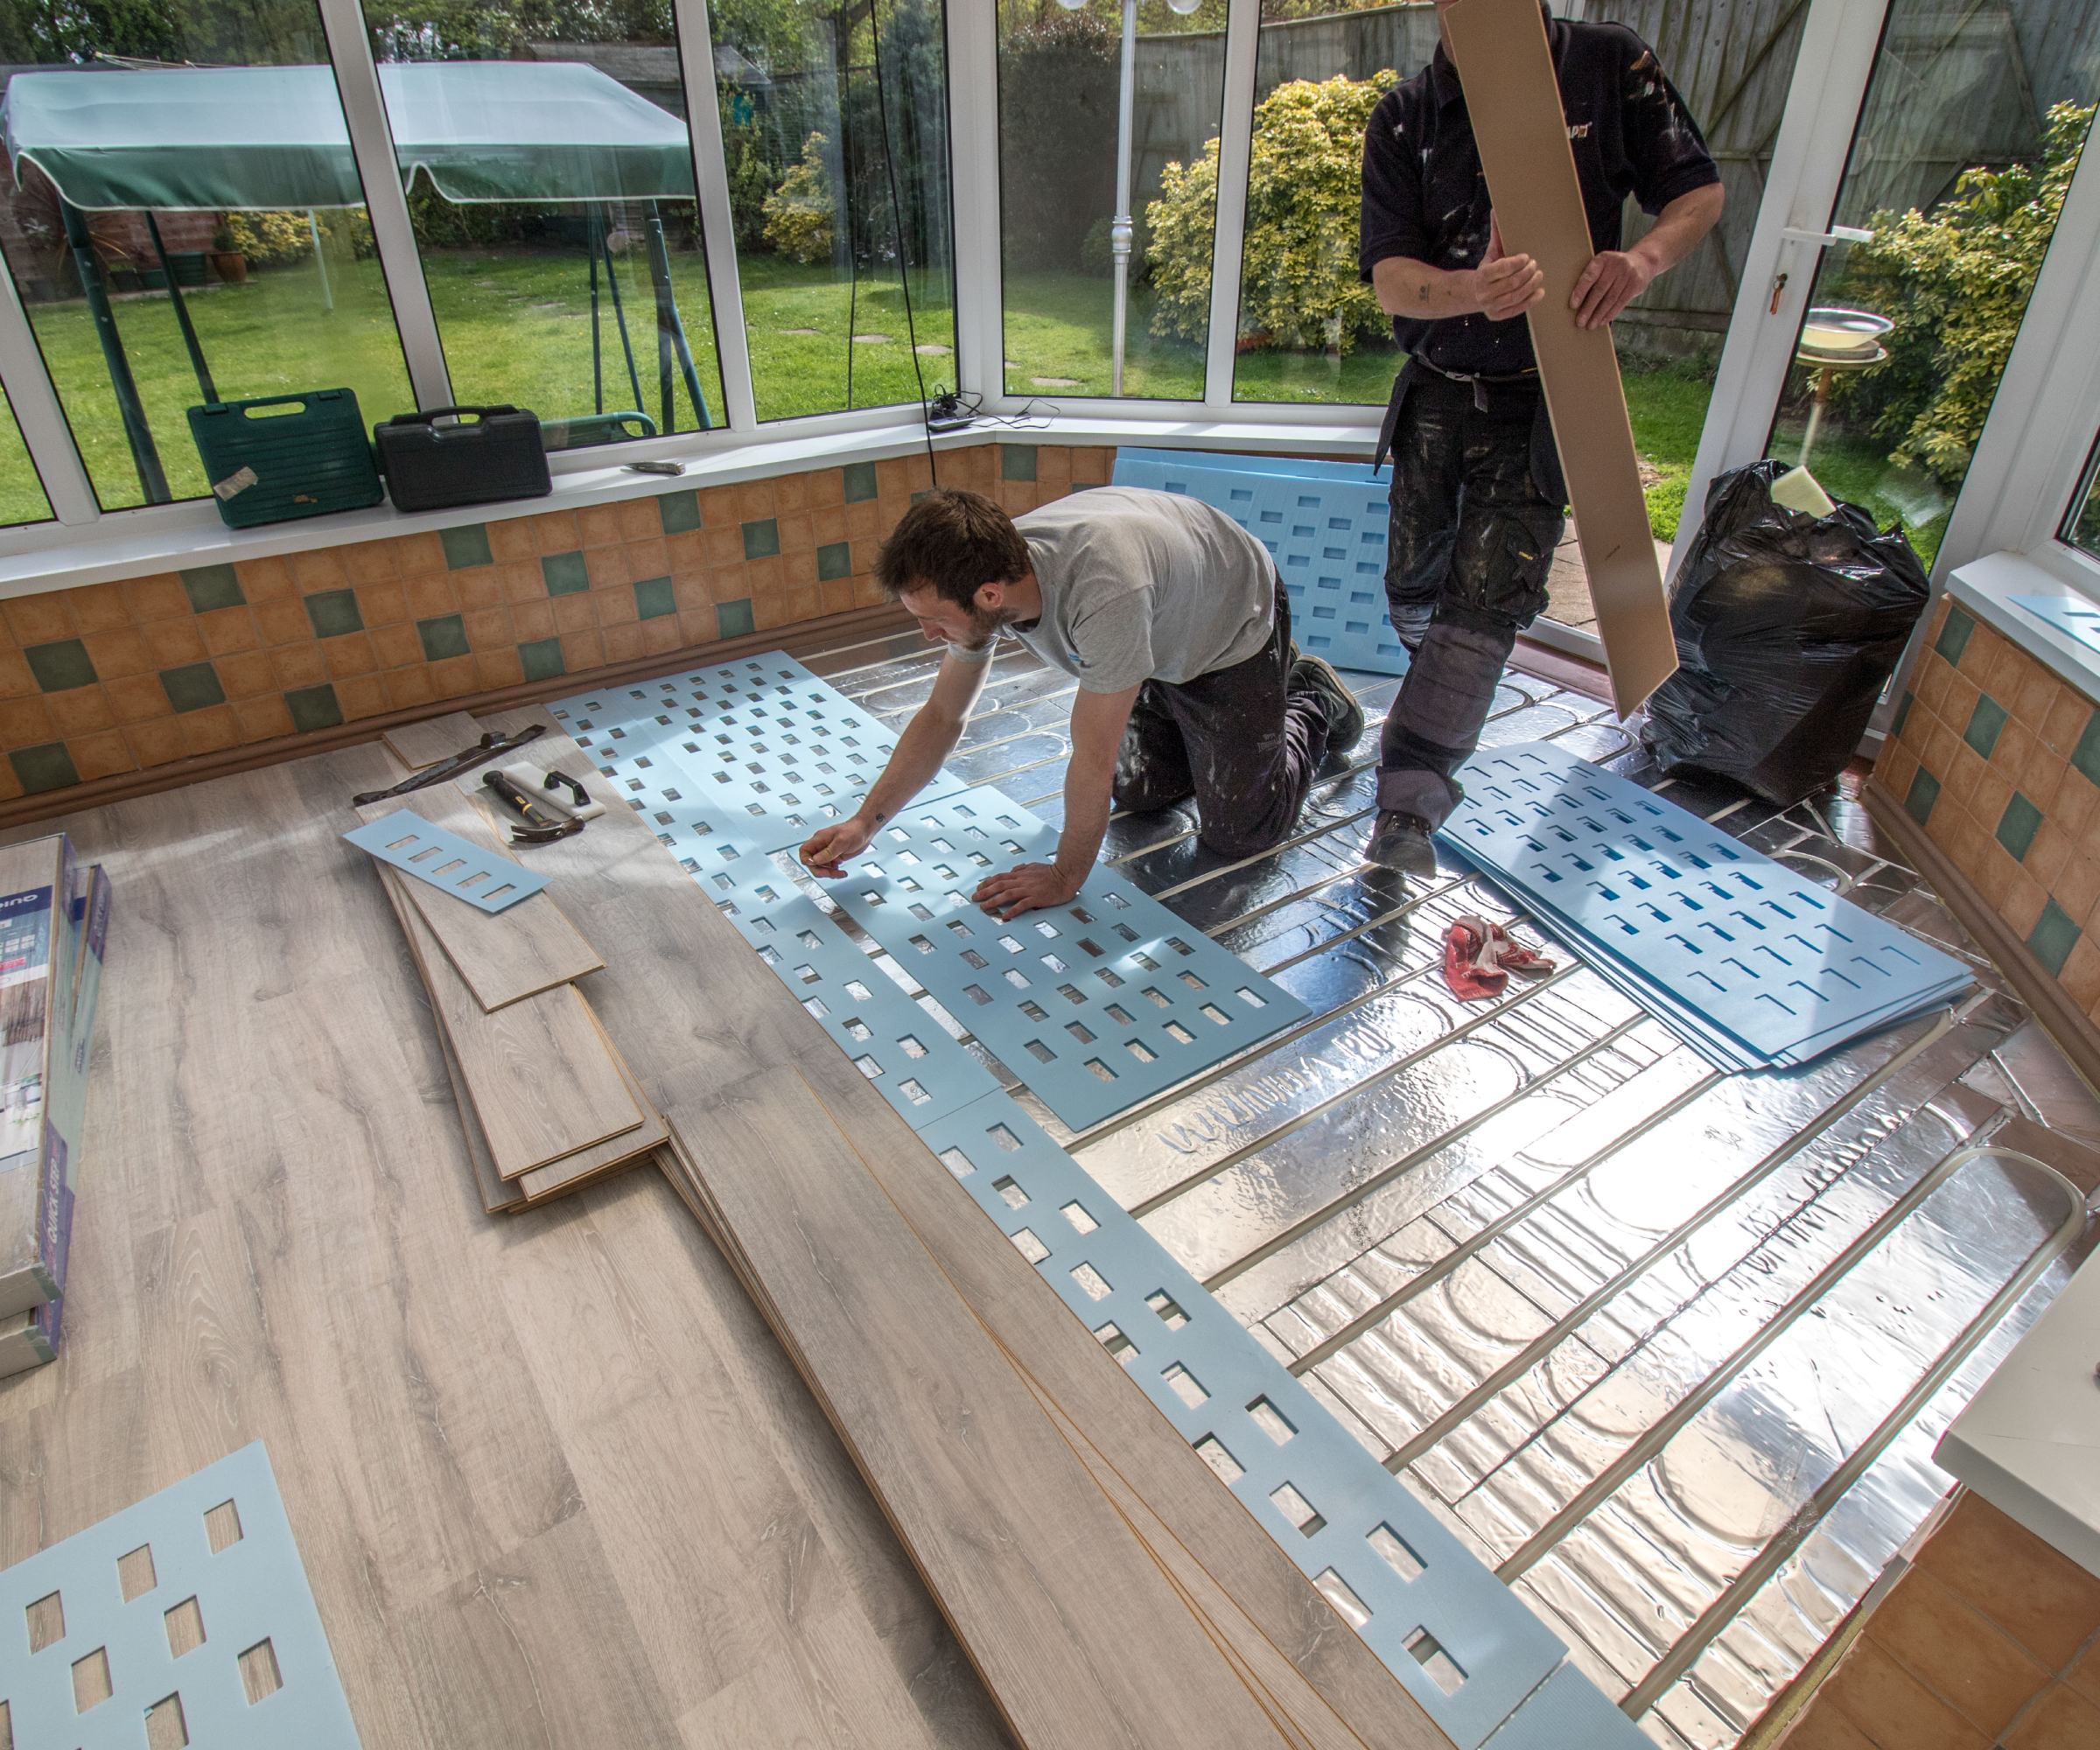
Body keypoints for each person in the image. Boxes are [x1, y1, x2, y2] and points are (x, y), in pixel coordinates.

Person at [1356, 0, 1725, 875]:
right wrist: (1471, 291)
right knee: (1414, 585)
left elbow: (1696, 193)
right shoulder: (1406, 115)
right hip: (1440, 394)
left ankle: (1410, 800)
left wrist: (1640, 262)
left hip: (1542, 396)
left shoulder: (1608, 66)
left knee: (1484, 605)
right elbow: (1392, 281)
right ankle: (1437, 690)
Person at [797, 486, 1365, 919]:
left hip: (1229, 623)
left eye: (933, 621)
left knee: (1242, 834)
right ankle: (1180, 708)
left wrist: (1065, 877)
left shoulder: (1105, 594)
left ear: (990, 595)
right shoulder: (982, 565)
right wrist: (865, 823)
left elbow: (1089, 758)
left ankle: (1309, 696)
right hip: (1158, 627)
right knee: (1142, 792)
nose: (927, 636)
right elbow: (945, 715)